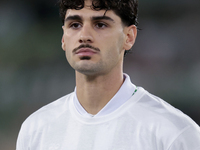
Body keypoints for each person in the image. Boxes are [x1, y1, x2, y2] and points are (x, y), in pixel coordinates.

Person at [16, 0, 200, 149]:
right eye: (75, 24)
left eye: (100, 24)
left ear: (129, 37)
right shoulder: (35, 129)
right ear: (64, 39)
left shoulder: (175, 132)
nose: (84, 35)